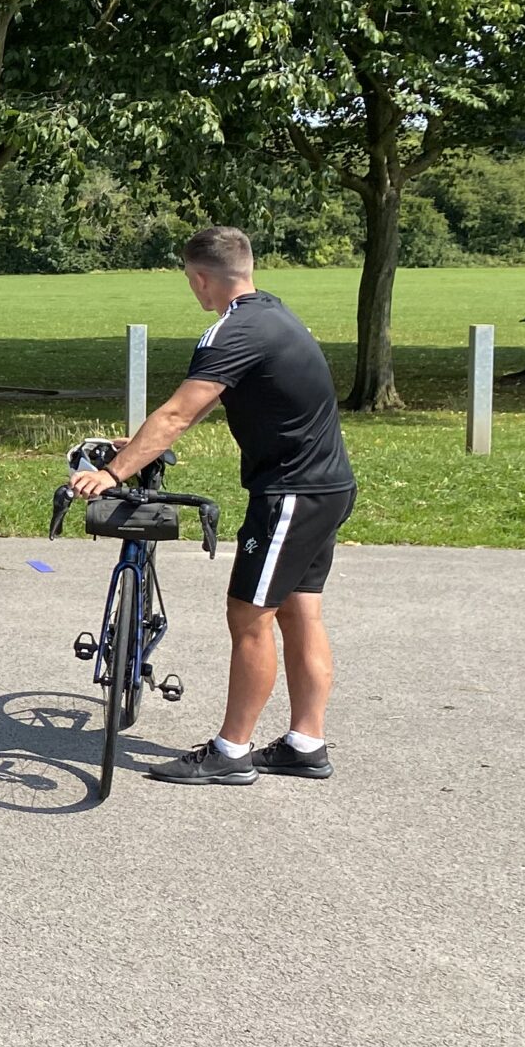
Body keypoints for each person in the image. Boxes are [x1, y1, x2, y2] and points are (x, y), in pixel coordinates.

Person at [67, 227, 356, 786]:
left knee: (250, 617)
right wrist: (143, 443)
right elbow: (198, 409)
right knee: (301, 612)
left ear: (200, 277)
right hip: (326, 486)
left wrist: (109, 473)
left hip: (290, 493)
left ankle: (231, 752)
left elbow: (178, 413)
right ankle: (305, 743)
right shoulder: (272, 313)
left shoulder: (231, 330)